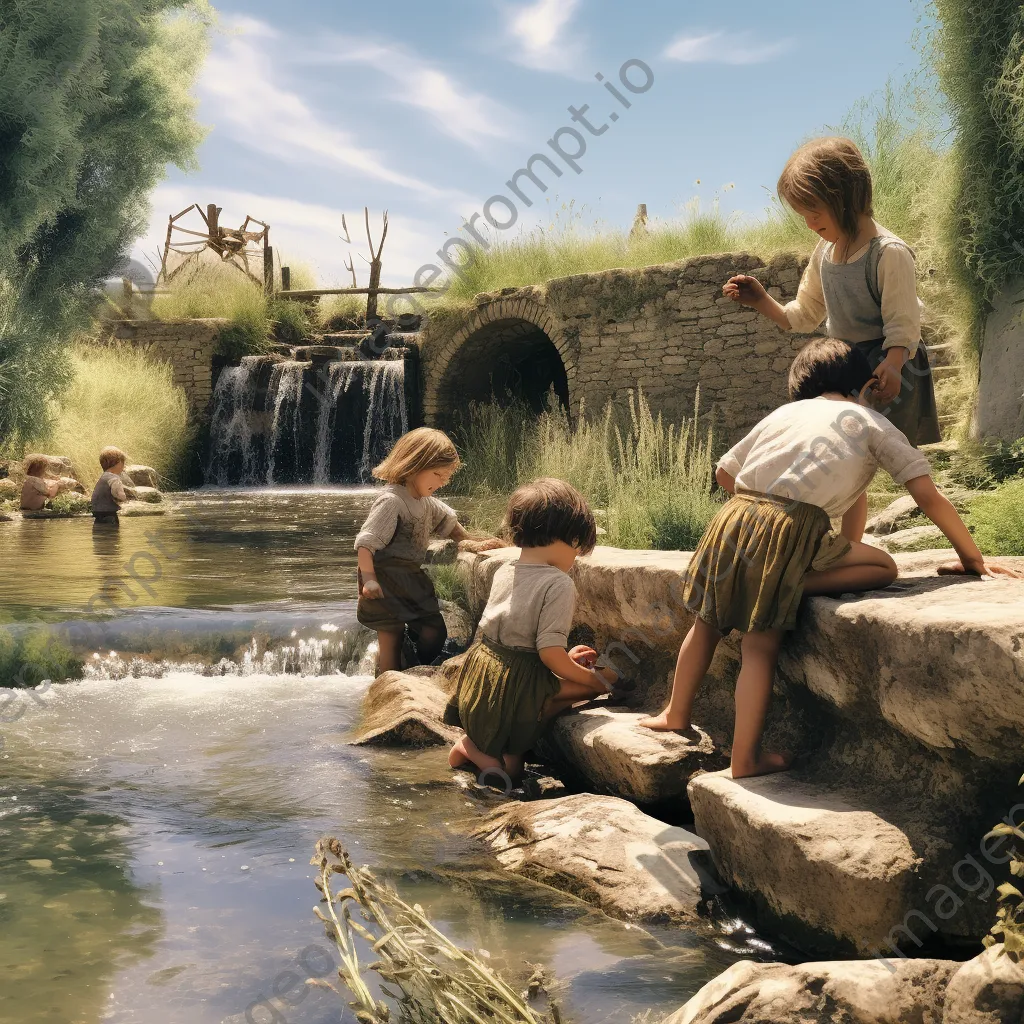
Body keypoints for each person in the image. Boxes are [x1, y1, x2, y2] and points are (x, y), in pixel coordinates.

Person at [640, 338, 1022, 778]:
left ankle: (675, 713)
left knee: (705, 623)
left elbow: (724, 473)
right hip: (790, 529)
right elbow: (926, 495)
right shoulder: (869, 422)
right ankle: (744, 760)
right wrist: (972, 558)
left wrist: (766, 508)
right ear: (863, 383)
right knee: (774, 635)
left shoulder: (786, 413)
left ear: (801, 384)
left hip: (733, 517)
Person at [723, 136, 941, 542]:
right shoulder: (825, 251)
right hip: (845, 369)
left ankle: (881, 539)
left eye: (814, 211)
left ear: (845, 197)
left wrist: (893, 363)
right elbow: (803, 315)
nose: (809, 223)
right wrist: (762, 301)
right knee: (848, 454)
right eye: (802, 214)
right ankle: (848, 545)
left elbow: (903, 322)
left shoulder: (888, 253)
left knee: (866, 456)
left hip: (885, 367)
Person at [446, 478, 623, 786]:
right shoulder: (558, 583)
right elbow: (547, 654)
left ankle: (477, 745)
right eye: (578, 548)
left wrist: (565, 658)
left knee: (518, 756)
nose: (576, 557)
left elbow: (519, 638)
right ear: (568, 538)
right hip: (518, 683)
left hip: (484, 675)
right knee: (609, 680)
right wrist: (594, 678)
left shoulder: (506, 569)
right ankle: (469, 748)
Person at [355, 427, 504, 673]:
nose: (443, 482)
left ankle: (412, 665)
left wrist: (470, 542)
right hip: (383, 579)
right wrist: (369, 579)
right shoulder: (392, 501)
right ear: (413, 465)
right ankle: (389, 683)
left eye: (446, 477)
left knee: (434, 631)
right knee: (389, 637)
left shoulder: (425, 502)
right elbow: (365, 544)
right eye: (438, 474)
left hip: (411, 577)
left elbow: (450, 525)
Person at [91, 446, 129, 527]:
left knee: (100, 537)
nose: (123, 467)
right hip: (110, 516)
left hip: (98, 516)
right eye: (123, 463)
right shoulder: (114, 478)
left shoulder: (103, 477)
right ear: (118, 463)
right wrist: (124, 497)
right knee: (113, 537)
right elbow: (119, 495)